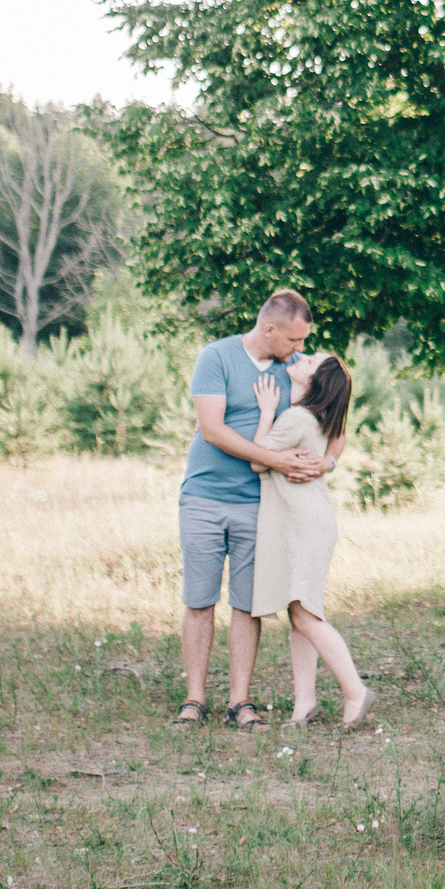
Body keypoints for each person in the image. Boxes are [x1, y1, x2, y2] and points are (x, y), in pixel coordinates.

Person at [175, 289, 330, 729]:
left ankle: (239, 702)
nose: (300, 349)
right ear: (269, 329)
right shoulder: (217, 357)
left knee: (247, 604)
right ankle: (194, 699)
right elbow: (212, 429)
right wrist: (278, 459)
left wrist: (330, 460)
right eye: (294, 340)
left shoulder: (296, 374)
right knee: (200, 600)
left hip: (260, 505)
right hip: (204, 497)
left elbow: (337, 415)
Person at [253, 355, 372, 727]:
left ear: (315, 380)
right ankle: (304, 704)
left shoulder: (295, 419)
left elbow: (258, 460)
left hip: (303, 526)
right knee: (299, 612)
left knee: (305, 613)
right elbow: (337, 438)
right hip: (309, 523)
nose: (301, 356)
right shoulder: (318, 421)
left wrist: (266, 410)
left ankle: (356, 692)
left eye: (310, 359)